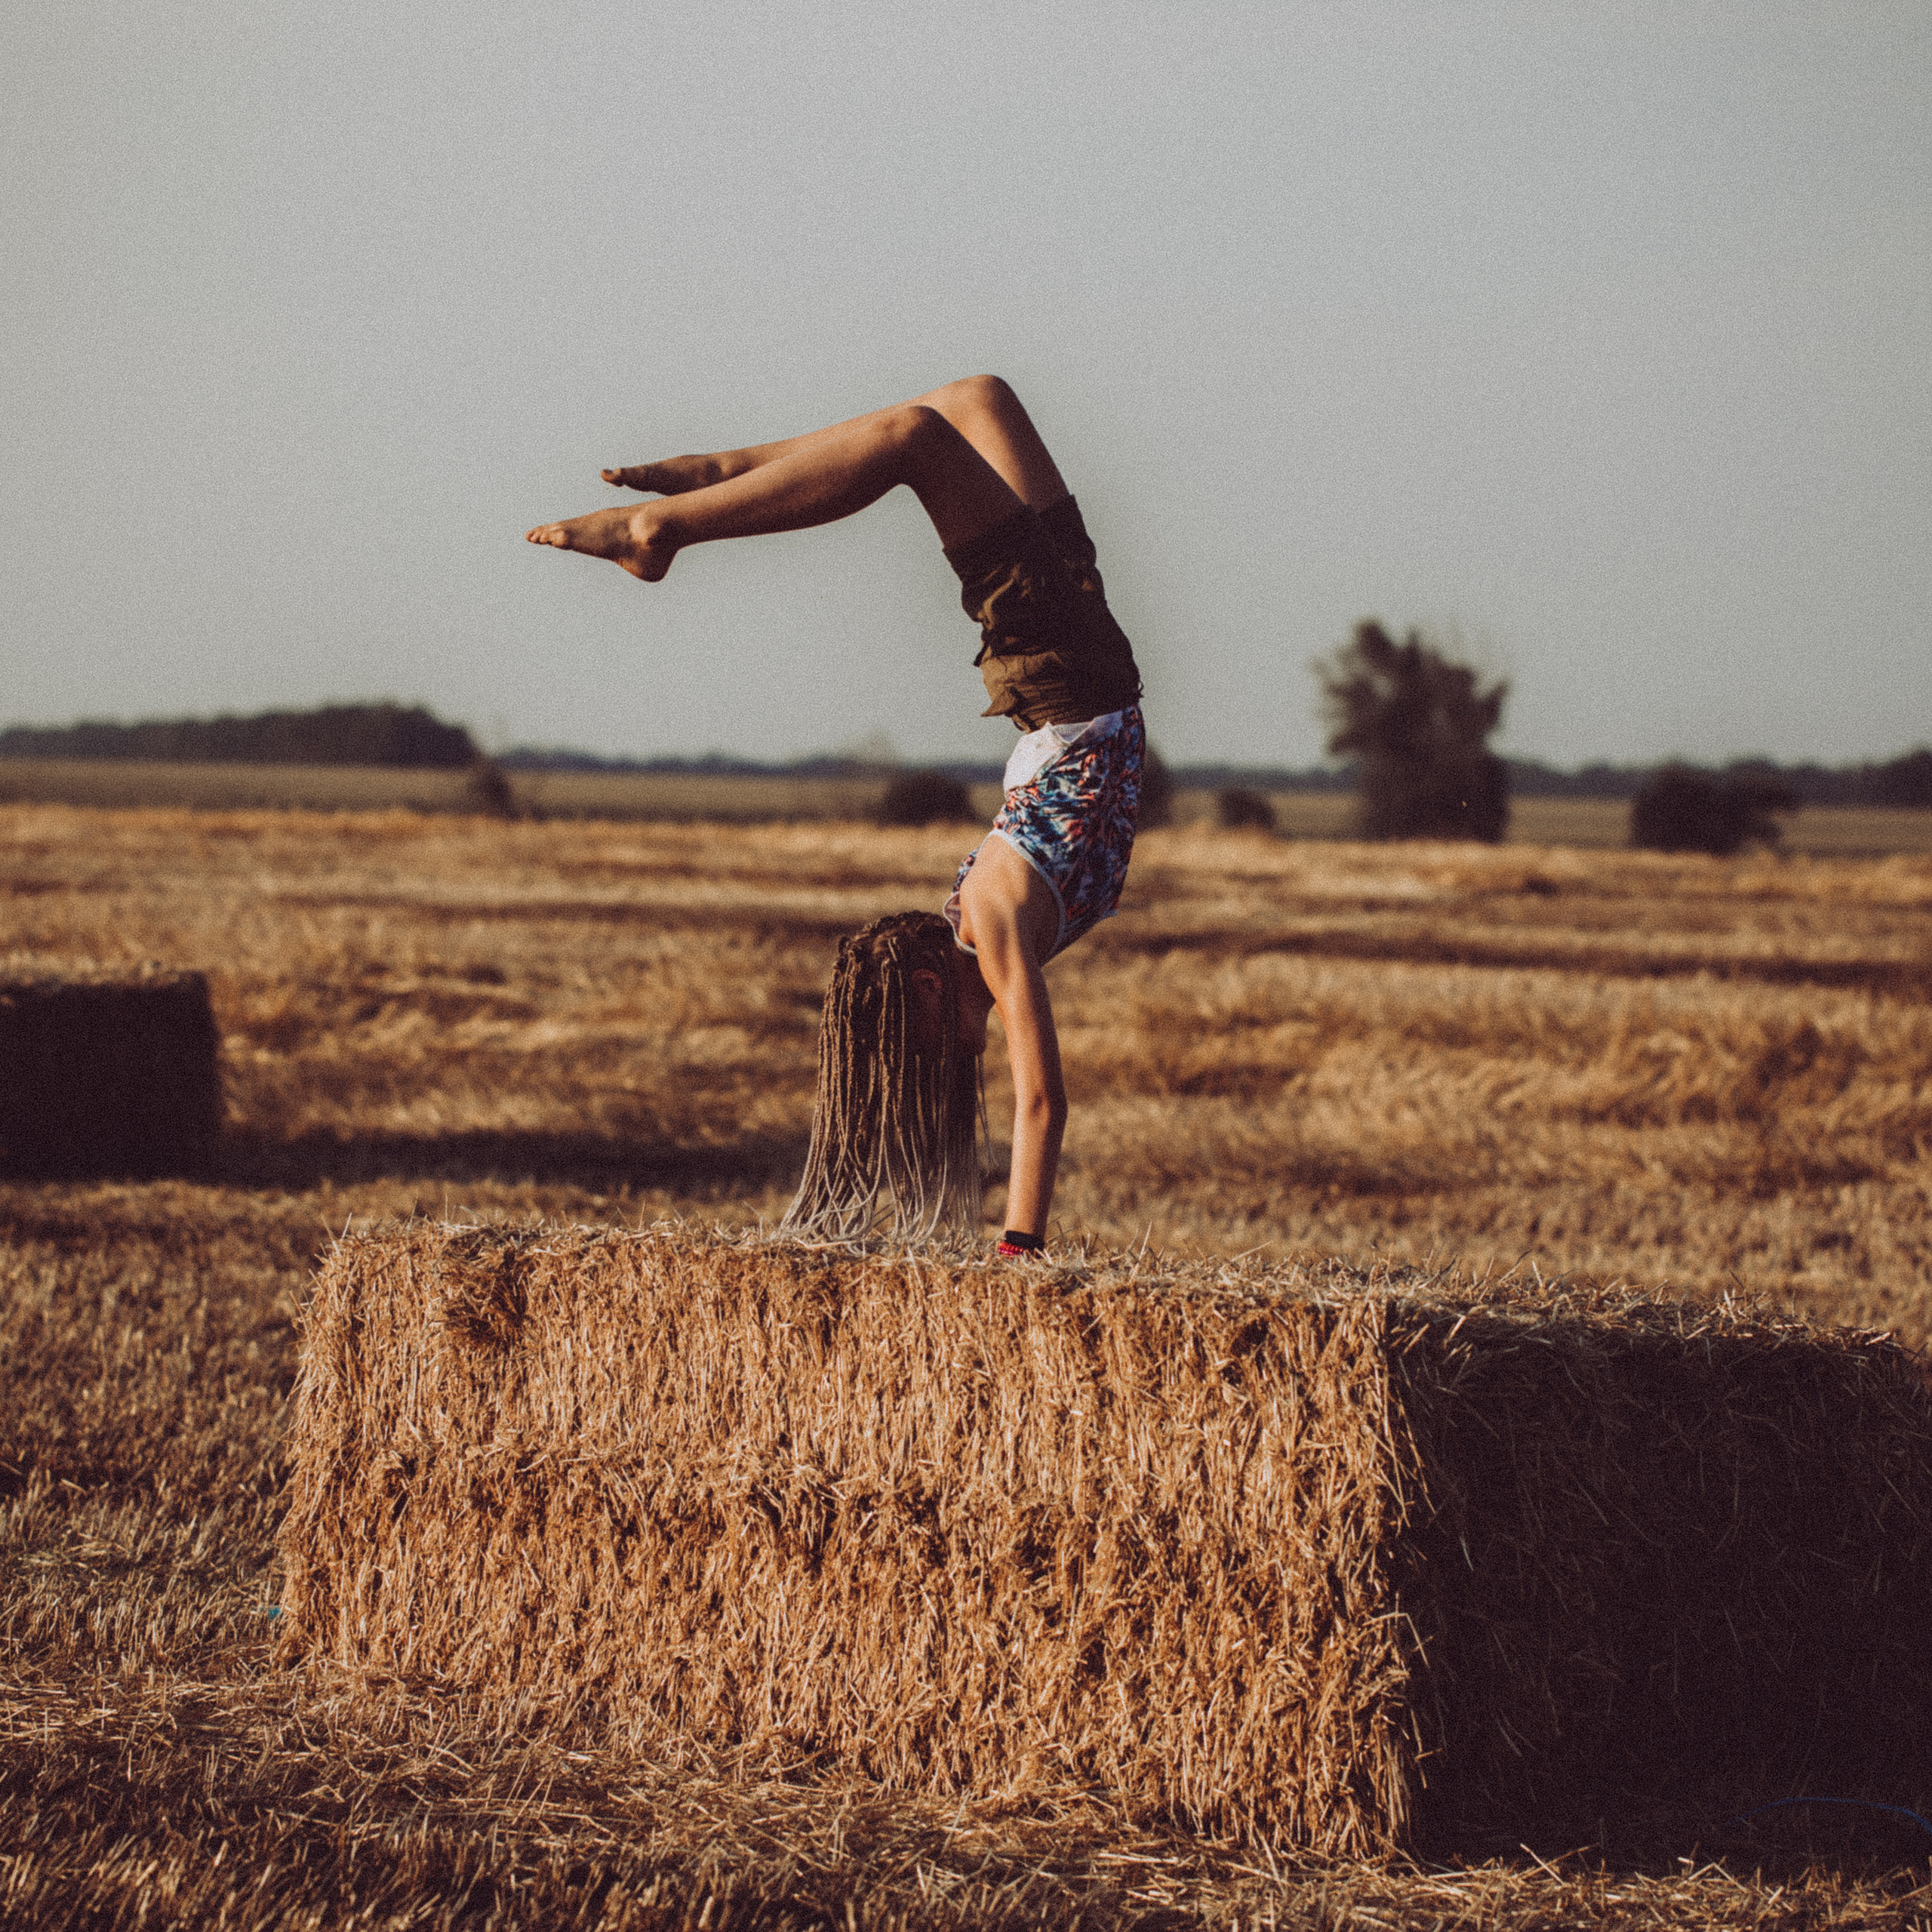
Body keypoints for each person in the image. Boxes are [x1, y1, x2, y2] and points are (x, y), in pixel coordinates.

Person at [528, 376, 1145, 1254]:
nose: (961, 1059)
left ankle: (662, 525)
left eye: (931, 1046)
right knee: (979, 401)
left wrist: (1019, 1251)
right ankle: (729, 472)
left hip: (1064, 672)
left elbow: (1041, 1102)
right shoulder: (996, 927)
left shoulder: (995, 923)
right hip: (1082, 662)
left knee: (915, 437)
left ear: (930, 992)